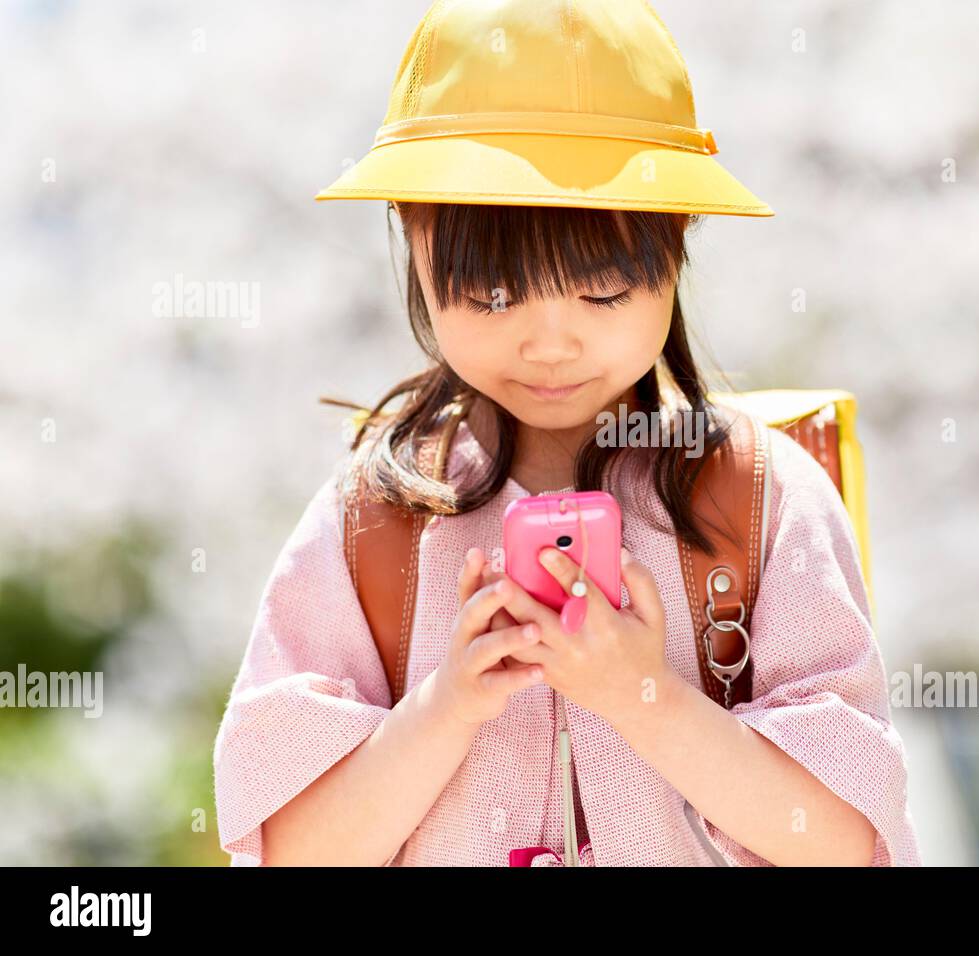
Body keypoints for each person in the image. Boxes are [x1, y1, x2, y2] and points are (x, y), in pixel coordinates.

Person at [212, 0, 921, 867]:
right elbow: (291, 853)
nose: (550, 343)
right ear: (412, 236)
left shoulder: (760, 498)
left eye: (601, 292)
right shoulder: (375, 521)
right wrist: (445, 707)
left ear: (677, 243)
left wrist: (643, 693)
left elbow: (845, 840)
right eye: (495, 295)